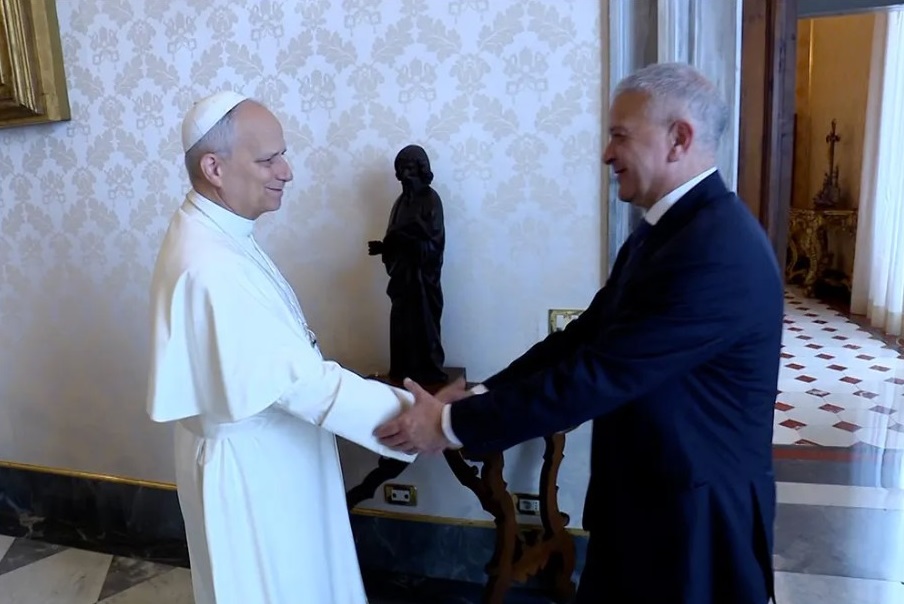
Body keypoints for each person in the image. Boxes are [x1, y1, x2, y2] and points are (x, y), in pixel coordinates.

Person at [376, 62, 782, 604]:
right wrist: (478, 393)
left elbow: (597, 375)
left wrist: (450, 425)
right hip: (646, 506)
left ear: (678, 138)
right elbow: (584, 337)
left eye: (619, 135)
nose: (606, 153)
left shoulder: (715, 250)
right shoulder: (667, 231)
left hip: (694, 526)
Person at [146, 90, 416, 604]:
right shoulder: (211, 263)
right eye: (268, 159)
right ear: (214, 168)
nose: (286, 171)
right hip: (254, 476)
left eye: (282, 154)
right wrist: (414, 417)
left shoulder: (218, 232)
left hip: (268, 456)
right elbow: (301, 382)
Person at [367, 144, 447, 385]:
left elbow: (434, 239)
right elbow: (396, 234)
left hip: (423, 279)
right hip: (403, 279)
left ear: (422, 170)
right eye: (400, 170)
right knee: (401, 324)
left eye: (410, 169)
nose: (404, 175)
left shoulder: (431, 199)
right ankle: (403, 370)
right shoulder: (400, 202)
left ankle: (428, 371)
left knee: (424, 325)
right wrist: (385, 247)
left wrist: (407, 235)